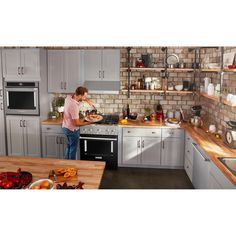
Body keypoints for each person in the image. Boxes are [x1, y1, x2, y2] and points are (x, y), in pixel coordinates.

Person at [62, 86, 95, 160]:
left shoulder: (69, 97)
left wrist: (87, 100)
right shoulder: (73, 106)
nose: (85, 98)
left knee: (69, 147)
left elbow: (78, 95)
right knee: (73, 150)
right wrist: (88, 122)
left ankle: (66, 164)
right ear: (80, 95)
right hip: (72, 130)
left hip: (65, 127)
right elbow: (76, 123)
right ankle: (71, 167)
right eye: (84, 96)